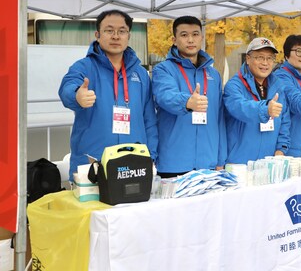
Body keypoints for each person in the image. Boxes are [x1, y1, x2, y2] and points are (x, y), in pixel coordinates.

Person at [58, 10, 158, 180]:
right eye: (109, 30)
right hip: (92, 162)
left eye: (122, 31)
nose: (116, 36)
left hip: (133, 163)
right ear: (97, 35)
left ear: (129, 36)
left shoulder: (140, 74)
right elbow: (67, 87)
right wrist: (76, 95)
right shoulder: (84, 67)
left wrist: (151, 156)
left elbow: (149, 120)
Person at [151, 16, 227, 178]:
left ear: (202, 38)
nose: (190, 40)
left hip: (208, 162)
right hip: (174, 162)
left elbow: (219, 118)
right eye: (184, 35)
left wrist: (220, 159)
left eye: (195, 34)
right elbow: (165, 96)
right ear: (174, 40)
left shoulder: (213, 74)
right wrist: (187, 102)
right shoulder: (163, 70)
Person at [223, 37, 291, 164]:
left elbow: (285, 122)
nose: (265, 63)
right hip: (239, 164)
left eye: (270, 58)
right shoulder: (234, 86)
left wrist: (281, 149)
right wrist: (266, 109)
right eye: (260, 57)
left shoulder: (278, 87)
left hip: (269, 163)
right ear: (248, 59)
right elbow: (240, 107)